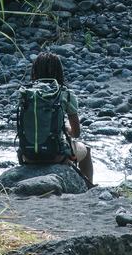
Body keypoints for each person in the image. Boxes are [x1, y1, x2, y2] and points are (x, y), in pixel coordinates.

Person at [27, 52, 94, 186]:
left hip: (27, 155)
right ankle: (88, 186)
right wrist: (65, 129)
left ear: (35, 71)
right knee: (86, 150)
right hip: (55, 155)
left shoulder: (26, 94)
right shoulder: (66, 94)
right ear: (59, 72)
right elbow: (76, 133)